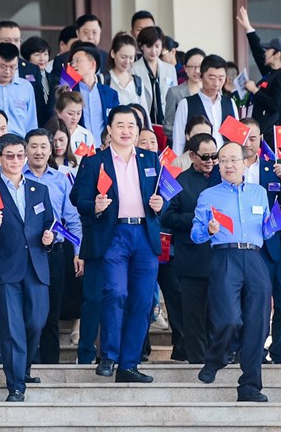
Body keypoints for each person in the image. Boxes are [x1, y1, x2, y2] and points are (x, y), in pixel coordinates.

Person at [71, 105, 165, 382]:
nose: (126, 131)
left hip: (144, 236)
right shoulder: (93, 162)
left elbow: (164, 195)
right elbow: (79, 199)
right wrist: (96, 206)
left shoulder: (150, 160)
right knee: (115, 293)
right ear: (109, 130)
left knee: (143, 300)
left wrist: (161, 204)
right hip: (113, 234)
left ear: (138, 131)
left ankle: (129, 364)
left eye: (131, 126)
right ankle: (109, 356)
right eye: (120, 125)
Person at [0, 133, 55, 402]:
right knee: (11, 329)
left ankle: (24, 366)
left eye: (21, 155)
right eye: (10, 155)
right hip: (5, 270)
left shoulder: (39, 189)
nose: (17, 160)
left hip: (36, 268)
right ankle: (16, 384)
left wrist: (49, 238)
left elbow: (49, 224)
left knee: (35, 323)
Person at [191, 141, 271, 402]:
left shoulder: (259, 192)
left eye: (233, 159)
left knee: (257, 325)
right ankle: (215, 358)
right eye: (222, 160)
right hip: (225, 257)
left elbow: (267, 227)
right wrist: (209, 230)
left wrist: (273, 227)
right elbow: (195, 234)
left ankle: (250, 386)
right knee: (228, 319)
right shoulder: (209, 195)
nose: (228, 165)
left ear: (244, 162)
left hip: (256, 258)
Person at [239, 118, 281, 365]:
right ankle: (253, 351)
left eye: (253, 138)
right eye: (244, 137)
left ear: (261, 139)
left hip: (272, 245)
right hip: (242, 245)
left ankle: (279, 352)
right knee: (252, 304)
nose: (248, 143)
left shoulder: (271, 168)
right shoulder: (230, 168)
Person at [23, 128, 82, 365]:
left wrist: (78, 252)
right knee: (27, 309)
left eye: (43, 147)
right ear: (25, 149)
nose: (38, 152)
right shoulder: (17, 176)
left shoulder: (62, 179)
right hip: (24, 254)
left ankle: (49, 364)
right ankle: (26, 361)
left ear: (51, 150)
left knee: (51, 312)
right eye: (33, 147)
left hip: (54, 253)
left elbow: (74, 220)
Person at [160, 134, 220, 363]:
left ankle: (217, 359)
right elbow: (167, 217)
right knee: (193, 316)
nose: (211, 161)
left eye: (214, 156)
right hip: (191, 258)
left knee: (218, 315)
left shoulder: (223, 177)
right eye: (205, 157)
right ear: (192, 155)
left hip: (220, 259)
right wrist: (197, 219)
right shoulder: (180, 181)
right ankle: (198, 365)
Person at [237, 7, 281, 138]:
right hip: (259, 129)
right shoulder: (272, 72)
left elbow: (276, 104)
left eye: (268, 50)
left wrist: (255, 90)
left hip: (268, 135)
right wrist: (249, 29)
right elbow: (258, 53)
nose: (265, 52)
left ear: (277, 54)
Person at [171, 54, 236, 153]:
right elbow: (178, 142)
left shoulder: (230, 103)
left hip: (225, 163)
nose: (216, 83)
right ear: (201, 76)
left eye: (221, 78)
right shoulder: (186, 104)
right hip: (196, 163)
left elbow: (236, 139)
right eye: (212, 78)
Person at [63, 44, 119, 144]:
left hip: (103, 149)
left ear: (92, 64)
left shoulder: (110, 94)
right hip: (77, 149)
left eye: (78, 61)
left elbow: (115, 122)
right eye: (72, 62)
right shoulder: (69, 91)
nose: (73, 65)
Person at [133, 27, 178, 126]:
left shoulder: (170, 69)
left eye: (157, 46)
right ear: (141, 46)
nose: (154, 51)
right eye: (149, 46)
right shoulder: (134, 69)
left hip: (166, 121)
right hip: (144, 120)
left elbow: (174, 97)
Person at [163, 48, 206, 140]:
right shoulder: (174, 92)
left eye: (200, 66)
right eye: (192, 67)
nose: (197, 71)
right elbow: (168, 126)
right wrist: (183, 140)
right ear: (185, 68)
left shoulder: (213, 92)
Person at [106, 33, 150, 114]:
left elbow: (144, 114)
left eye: (131, 58)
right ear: (113, 53)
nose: (127, 62)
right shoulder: (103, 80)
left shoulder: (137, 82)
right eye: (123, 57)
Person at [54, 91, 95, 156]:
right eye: (70, 113)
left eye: (78, 113)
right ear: (58, 111)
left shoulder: (86, 135)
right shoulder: (49, 133)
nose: (75, 118)